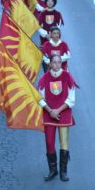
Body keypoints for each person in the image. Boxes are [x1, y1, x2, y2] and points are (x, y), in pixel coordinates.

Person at [38, 54, 77, 182]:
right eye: (54, 62)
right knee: (49, 142)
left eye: (59, 62)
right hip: (49, 114)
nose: (57, 65)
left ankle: (63, 172)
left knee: (64, 142)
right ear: (50, 64)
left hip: (64, 113)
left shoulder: (67, 76)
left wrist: (57, 111)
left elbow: (71, 99)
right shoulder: (44, 78)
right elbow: (40, 98)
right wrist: (50, 111)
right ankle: (53, 170)